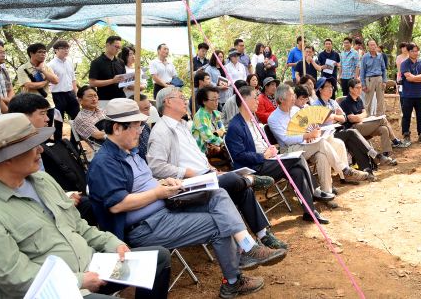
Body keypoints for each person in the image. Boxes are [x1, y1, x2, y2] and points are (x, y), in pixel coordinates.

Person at [86, 99, 286, 298]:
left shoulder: (130, 152)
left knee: (217, 193)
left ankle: (248, 249)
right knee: (219, 223)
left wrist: (163, 182)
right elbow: (116, 206)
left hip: (164, 208)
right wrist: (157, 192)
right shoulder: (104, 162)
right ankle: (233, 280)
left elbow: (143, 182)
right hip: (144, 227)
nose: (140, 131)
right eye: (136, 126)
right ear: (117, 128)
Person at [0, 113, 172, 299]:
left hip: (93, 266)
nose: (40, 149)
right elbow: (14, 277)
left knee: (157, 259)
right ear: (8, 157)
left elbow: (79, 225)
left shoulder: (43, 181)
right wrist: (78, 280)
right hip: (57, 290)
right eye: (32, 146)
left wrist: (112, 243)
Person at [148, 89, 286, 249]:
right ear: (168, 102)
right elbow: (156, 167)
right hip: (188, 186)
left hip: (206, 176)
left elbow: (197, 156)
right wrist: (187, 173)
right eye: (181, 97)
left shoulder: (183, 125)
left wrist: (212, 168)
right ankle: (250, 179)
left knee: (242, 189)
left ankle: (262, 234)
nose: (186, 101)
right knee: (235, 179)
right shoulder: (161, 131)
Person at [226, 86, 333, 223]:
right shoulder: (235, 127)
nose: (258, 101)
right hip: (255, 167)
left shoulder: (252, 120)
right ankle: (314, 191)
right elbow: (239, 156)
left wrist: (271, 148)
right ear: (244, 100)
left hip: (268, 159)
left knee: (297, 172)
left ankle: (309, 213)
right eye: (255, 98)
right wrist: (263, 156)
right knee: (297, 157)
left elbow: (260, 143)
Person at [8, 93, 98, 226]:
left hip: (50, 197)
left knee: (88, 204)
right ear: (24, 117)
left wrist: (64, 196)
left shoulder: (38, 142)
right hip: (35, 211)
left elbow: (42, 182)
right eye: (42, 114)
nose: (47, 118)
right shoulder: (15, 149)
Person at [268, 84, 369, 199]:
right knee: (321, 143)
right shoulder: (273, 118)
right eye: (290, 95)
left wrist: (313, 129)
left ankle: (327, 192)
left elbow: (307, 125)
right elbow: (286, 139)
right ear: (281, 99)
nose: (293, 97)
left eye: (293, 95)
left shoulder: (295, 110)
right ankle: (345, 170)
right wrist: (307, 135)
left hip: (306, 145)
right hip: (289, 150)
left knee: (322, 156)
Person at [313, 76, 389, 173]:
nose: (331, 89)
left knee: (352, 141)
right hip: (326, 135)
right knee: (352, 132)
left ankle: (367, 170)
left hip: (337, 131)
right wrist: (336, 116)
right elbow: (320, 123)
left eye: (332, 87)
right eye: (328, 87)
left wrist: (333, 117)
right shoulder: (316, 105)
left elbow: (343, 119)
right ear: (320, 89)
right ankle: (374, 155)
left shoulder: (332, 102)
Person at [341, 79, 408, 161]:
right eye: (357, 88)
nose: (359, 90)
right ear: (350, 89)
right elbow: (351, 119)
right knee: (382, 120)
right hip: (354, 128)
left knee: (384, 129)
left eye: (360, 87)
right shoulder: (345, 102)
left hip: (363, 124)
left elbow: (365, 113)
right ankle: (395, 141)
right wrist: (362, 117)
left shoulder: (359, 100)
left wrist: (359, 117)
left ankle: (386, 156)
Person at [17, 43, 59, 126]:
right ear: (31, 54)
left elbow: (56, 81)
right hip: (31, 107)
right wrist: (46, 81)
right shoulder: (23, 69)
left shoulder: (46, 68)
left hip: (48, 104)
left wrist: (42, 70)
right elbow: (30, 86)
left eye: (44, 52)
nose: (43, 54)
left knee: (47, 130)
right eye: (40, 52)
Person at [48, 40, 81, 141]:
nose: (66, 50)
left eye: (67, 48)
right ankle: (60, 146)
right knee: (58, 122)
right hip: (57, 95)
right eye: (63, 48)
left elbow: (73, 80)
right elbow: (49, 84)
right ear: (56, 50)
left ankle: (75, 145)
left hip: (70, 94)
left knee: (78, 119)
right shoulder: (51, 65)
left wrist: (76, 95)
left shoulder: (69, 63)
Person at [400, 42, 421, 145]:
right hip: (408, 95)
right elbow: (408, 78)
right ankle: (406, 135)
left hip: (420, 95)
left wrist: (414, 78)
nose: (414, 53)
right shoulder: (405, 63)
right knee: (406, 116)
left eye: (416, 51)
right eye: (412, 51)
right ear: (408, 51)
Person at [88, 35, 127, 105]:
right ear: (108, 45)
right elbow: (92, 83)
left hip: (121, 98)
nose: (117, 49)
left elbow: (124, 79)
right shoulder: (96, 62)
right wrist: (112, 81)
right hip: (104, 99)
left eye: (119, 48)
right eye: (116, 47)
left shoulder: (121, 62)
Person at [192, 85, 226, 155]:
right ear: (204, 101)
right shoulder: (200, 116)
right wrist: (224, 143)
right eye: (214, 99)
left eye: (218, 99)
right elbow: (208, 137)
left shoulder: (216, 113)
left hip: (217, 149)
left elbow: (222, 130)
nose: (217, 102)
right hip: (203, 152)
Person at [74, 85, 106, 156]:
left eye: (95, 95)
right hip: (104, 150)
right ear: (80, 100)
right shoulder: (81, 119)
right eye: (90, 96)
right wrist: (121, 135)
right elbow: (98, 135)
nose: (94, 99)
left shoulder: (102, 111)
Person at [360, 39, 387, 116]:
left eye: (374, 44)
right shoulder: (365, 57)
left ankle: (381, 117)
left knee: (381, 100)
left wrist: (384, 81)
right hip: (369, 79)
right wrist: (363, 84)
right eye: (371, 45)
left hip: (379, 79)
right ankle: (367, 117)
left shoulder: (380, 56)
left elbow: (383, 69)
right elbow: (362, 71)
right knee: (368, 100)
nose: (373, 46)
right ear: (368, 47)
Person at [0, 39, 15, 107]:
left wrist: (10, 101)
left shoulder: (4, 71)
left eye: (4, 53)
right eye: (0, 52)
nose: (3, 55)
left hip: (7, 107)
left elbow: (10, 89)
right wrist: (7, 100)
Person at [135, 94, 151, 162]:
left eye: (149, 109)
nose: (148, 113)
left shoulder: (145, 126)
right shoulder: (132, 130)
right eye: (145, 109)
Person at [395, 42, 409, 111]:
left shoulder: (411, 56)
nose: (405, 49)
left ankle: (410, 110)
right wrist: (400, 78)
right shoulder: (399, 57)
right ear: (401, 49)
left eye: (406, 47)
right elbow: (399, 70)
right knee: (402, 95)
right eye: (403, 48)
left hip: (411, 77)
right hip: (402, 77)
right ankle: (403, 110)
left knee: (410, 95)